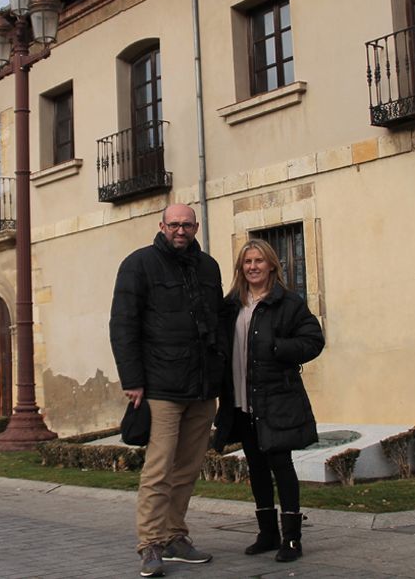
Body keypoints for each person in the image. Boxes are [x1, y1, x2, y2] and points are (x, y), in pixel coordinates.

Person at [110, 204, 224, 577]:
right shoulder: (138, 264)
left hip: (203, 387)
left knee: (189, 468)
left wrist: (219, 377)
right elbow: (123, 323)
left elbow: (217, 323)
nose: (180, 230)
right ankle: (150, 544)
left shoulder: (208, 267)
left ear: (195, 227)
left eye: (187, 224)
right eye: (173, 224)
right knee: (158, 469)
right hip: (161, 386)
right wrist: (132, 380)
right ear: (161, 226)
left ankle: (175, 536)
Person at [213, 239, 324, 562]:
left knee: (281, 465)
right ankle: (266, 533)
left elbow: (314, 340)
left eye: (259, 261)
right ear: (240, 268)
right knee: (257, 467)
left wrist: (281, 348)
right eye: (247, 262)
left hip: (276, 399)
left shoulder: (287, 303)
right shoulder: (232, 305)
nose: (253, 267)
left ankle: (292, 538)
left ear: (272, 265)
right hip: (241, 402)